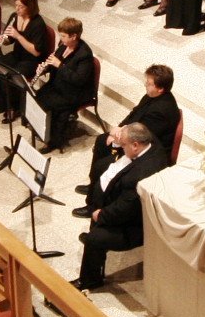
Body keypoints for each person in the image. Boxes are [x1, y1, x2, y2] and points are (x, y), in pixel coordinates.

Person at [73, 123, 169, 292]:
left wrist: (100, 215)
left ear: (135, 145)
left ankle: (90, 280)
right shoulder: (149, 141)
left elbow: (124, 209)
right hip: (128, 208)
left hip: (136, 225)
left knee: (96, 237)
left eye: (123, 145)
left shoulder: (140, 175)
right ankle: (96, 252)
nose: (121, 148)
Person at [75, 65, 179, 215]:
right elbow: (134, 114)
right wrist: (117, 129)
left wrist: (119, 137)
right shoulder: (151, 95)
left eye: (149, 83)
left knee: (101, 166)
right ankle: (94, 185)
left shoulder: (162, 110)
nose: (145, 85)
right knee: (101, 141)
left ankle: (94, 206)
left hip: (146, 152)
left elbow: (143, 137)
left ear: (160, 88)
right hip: (135, 138)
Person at [33, 18, 95, 151]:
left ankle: (53, 140)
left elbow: (79, 80)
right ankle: (42, 129)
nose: (60, 38)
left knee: (50, 104)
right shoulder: (63, 45)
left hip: (75, 92)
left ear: (74, 36)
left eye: (63, 35)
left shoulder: (84, 55)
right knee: (37, 96)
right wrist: (45, 68)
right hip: (59, 85)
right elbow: (54, 63)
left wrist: (59, 65)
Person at [0, 0, 50, 121]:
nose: (17, 9)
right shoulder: (14, 17)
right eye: (16, 5)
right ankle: (4, 105)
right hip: (17, 55)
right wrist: (3, 39)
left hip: (32, 61)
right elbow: (9, 40)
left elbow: (36, 51)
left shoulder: (38, 23)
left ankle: (15, 107)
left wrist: (18, 36)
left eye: (21, 6)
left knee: (11, 75)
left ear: (30, 6)